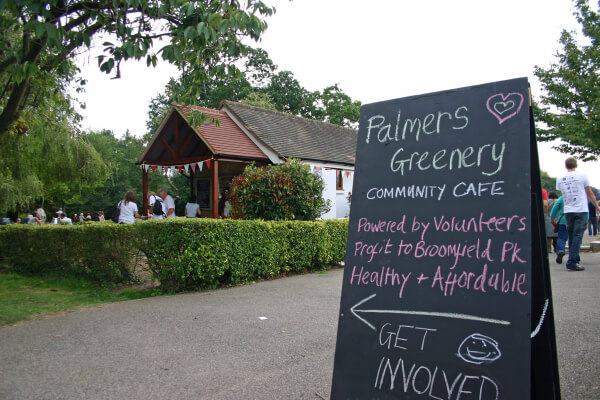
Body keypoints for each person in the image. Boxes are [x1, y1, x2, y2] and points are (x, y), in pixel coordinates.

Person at [556, 157, 600, 271]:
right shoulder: (582, 176)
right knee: (578, 235)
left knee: (571, 235)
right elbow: (589, 193)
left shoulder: (560, 178)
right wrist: (597, 206)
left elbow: (562, 193)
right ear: (576, 165)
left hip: (568, 210)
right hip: (580, 209)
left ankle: (575, 257)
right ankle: (572, 261)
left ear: (566, 166)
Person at [550, 196, 567, 264]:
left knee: (561, 238)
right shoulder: (579, 195)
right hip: (576, 220)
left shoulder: (562, 197)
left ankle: (561, 250)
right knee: (574, 238)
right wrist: (587, 218)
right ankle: (574, 256)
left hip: (563, 219)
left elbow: (555, 207)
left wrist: (552, 219)